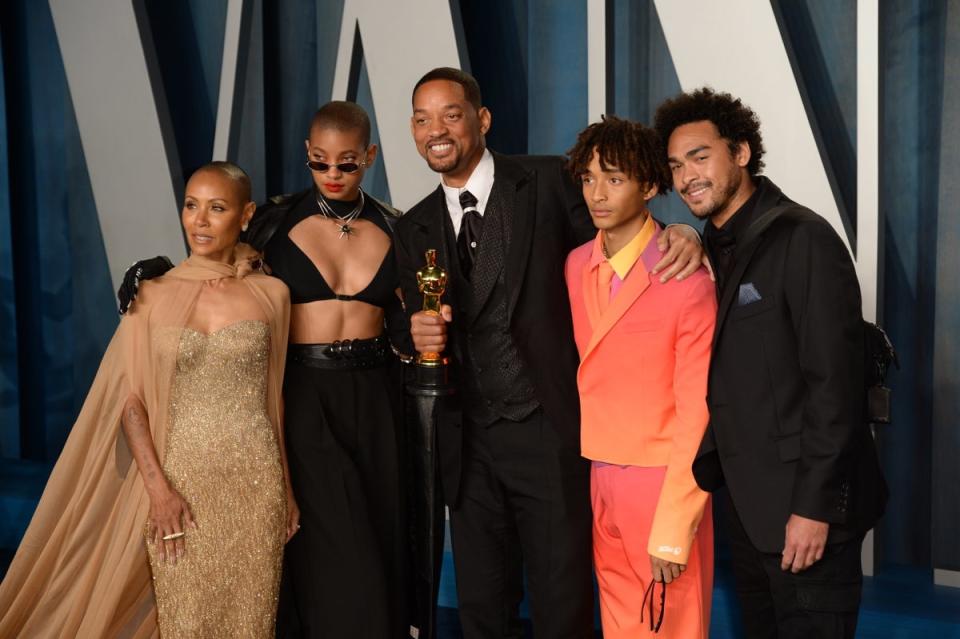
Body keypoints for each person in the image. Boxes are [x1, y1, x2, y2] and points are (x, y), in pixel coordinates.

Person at [395, 67, 706, 638]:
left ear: (482, 120)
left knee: (561, 602)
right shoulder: (412, 226)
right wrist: (411, 337)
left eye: (451, 114)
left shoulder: (549, 181)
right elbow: (404, 324)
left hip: (550, 432)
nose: (435, 130)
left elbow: (619, 228)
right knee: (481, 610)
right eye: (421, 119)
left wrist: (683, 233)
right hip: (469, 446)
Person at [117, 101, 411, 638]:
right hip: (304, 394)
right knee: (337, 551)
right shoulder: (276, 220)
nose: (333, 175)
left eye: (347, 164)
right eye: (320, 163)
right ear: (307, 155)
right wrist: (157, 271)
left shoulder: (398, 227)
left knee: (383, 539)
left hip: (377, 395)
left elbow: (408, 317)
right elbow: (215, 259)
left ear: (369, 156)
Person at [0, 161, 298, 637]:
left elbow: (273, 399)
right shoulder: (151, 293)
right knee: (185, 620)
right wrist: (159, 491)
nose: (199, 221)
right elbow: (130, 402)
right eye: (191, 206)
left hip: (255, 483)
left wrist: (287, 489)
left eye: (216, 208)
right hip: (180, 483)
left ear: (245, 215)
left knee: (250, 623)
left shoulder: (273, 295)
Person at [654, 88, 887, 639]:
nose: (686, 176)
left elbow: (835, 388)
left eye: (700, 156)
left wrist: (814, 509)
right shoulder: (708, 246)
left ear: (740, 152)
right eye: (675, 165)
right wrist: (687, 232)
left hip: (807, 516)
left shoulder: (803, 238)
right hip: (747, 512)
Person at [564, 115, 716, 638]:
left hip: (662, 481)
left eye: (614, 177)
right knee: (619, 622)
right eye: (587, 178)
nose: (597, 193)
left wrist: (676, 524)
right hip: (599, 471)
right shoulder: (576, 264)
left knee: (669, 625)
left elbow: (697, 410)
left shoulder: (685, 277)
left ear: (650, 185)